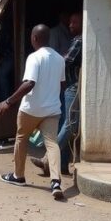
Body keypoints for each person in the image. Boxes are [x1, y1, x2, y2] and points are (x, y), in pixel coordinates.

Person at [0, 24, 66, 200]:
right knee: (52, 143)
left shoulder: (34, 58)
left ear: (34, 38)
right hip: (52, 110)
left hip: (31, 109)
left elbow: (29, 83)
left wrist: (8, 101)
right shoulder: (59, 58)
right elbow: (62, 84)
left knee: (21, 138)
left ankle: (18, 176)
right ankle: (56, 181)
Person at [31, 12, 82, 176]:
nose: (70, 25)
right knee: (67, 125)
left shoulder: (79, 41)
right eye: (70, 22)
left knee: (69, 125)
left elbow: (65, 60)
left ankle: (47, 158)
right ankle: (62, 165)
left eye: (74, 23)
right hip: (70, 87)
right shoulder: (76, 40)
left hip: (73, 87)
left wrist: (51, 59)